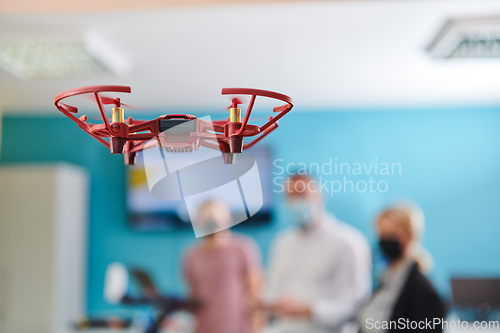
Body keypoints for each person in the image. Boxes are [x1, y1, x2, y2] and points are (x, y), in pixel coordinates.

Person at [265, 174, 372, 333]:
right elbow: (273, 290)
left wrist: (309, 310)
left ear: (320, 195)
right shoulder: (282, 243)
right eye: (290, 196)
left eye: (301, 194)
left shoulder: (349, 242)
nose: (296, 202)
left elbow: (356, 305)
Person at [357, 204, 445, 333]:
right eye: (382, 234)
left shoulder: (424, 292)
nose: (385, 240)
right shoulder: (385, 280)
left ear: (410, 236)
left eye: (392, 234)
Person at [183, 200, 263, 333]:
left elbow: (255, 296)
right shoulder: (191, 256)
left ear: (228, 218)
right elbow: (193, 298)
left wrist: (256, 328)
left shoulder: (243, 248)